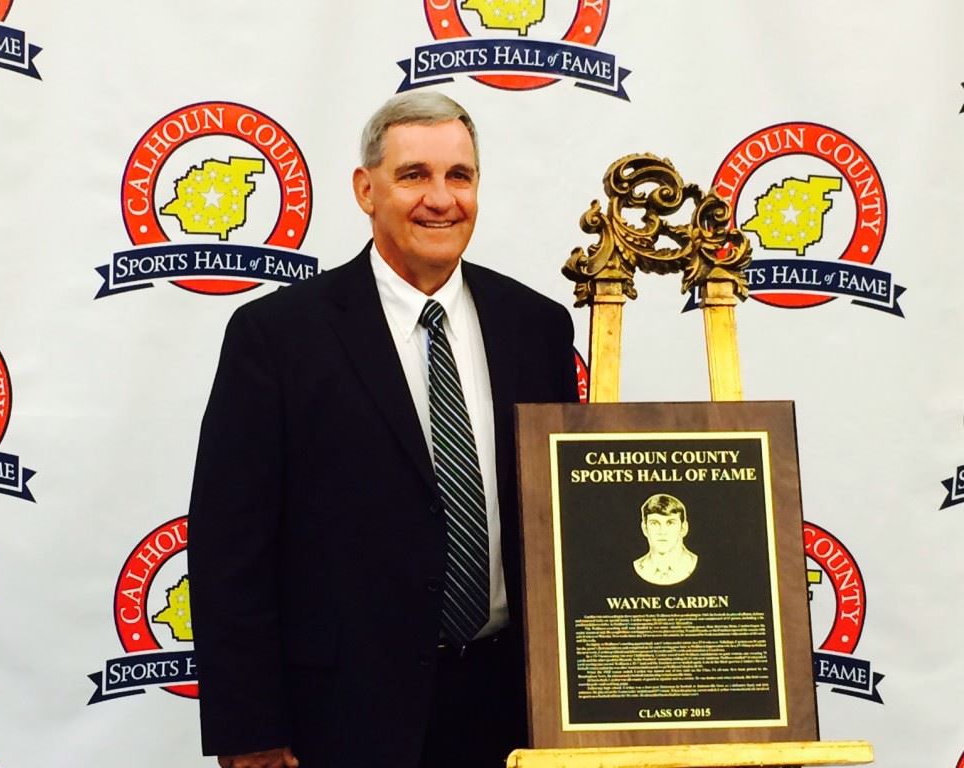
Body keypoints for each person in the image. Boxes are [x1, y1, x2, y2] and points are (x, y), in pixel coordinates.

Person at [187, 91, 579, 768]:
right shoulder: (278, 337)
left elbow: (563, 522)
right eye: (414, 175)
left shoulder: (537, 327)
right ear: (366, 190)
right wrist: (248, 727)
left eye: (459, 176)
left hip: (510, 708)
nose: (441, 198)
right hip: (342, 716)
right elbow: (230, 548)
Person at [632, 493, 699, 585]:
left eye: (670, 523)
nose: (662, 531)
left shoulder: (694, 564)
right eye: (654, 523)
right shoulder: (638, 566)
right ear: (645, 528)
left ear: (684, 528)